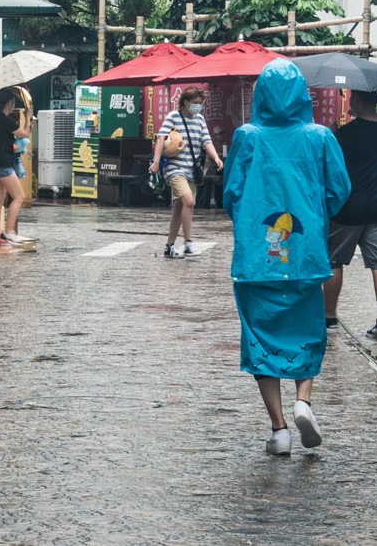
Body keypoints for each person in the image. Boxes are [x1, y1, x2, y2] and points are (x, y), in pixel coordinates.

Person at [223, 61, 351, 456]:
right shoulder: (321, 137)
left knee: (259, 338)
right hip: (305, 254)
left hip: (256, 259)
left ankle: (279, 430)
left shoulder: (247, 137)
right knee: (309, 331)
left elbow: (231, 194)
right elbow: (339, 190)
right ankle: (304, 401)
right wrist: (314, 216)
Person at [322, 89, 377, 336]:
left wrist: (334, 134)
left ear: (359, 101)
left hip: (348, 207)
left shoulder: (346, 133)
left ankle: (329, 318)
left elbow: (331, 165)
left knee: (334, 260)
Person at [149, 86, 222, 258]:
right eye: (196, 103)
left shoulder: (200, 120)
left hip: (192, 169)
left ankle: (169, 246)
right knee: (189, 201)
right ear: (186, 102)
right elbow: (161, 137)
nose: (198, 106)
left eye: (200, 103)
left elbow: (207, 141)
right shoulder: (173, 117)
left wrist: (216, 158)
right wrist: (157, 162)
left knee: (179, 208)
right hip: (174, 169)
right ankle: (188, 242)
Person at [0, 86, 33, 247]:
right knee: (19, 197)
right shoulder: (5, 120)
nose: (13, 104)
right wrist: (28, 117)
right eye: (12, 101)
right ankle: (9, 232)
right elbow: (24, 135)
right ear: (9, 102)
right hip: (4, 164)